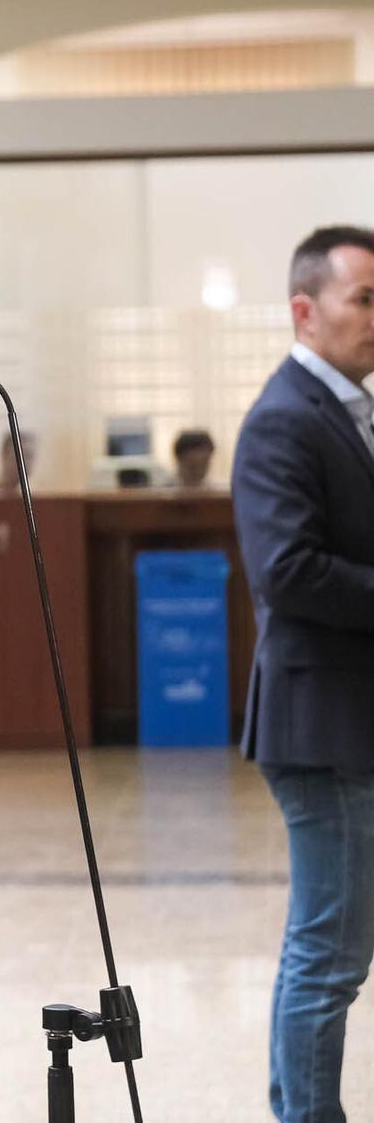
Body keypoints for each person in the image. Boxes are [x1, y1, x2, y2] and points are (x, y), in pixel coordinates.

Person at [232, 224, 374, 1123]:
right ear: (304, 309)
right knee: (330, 953)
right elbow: (286, 570)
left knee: (330, 946)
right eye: (364, 300)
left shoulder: (345, 408)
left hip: (346, 718)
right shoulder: (286, 415)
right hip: (322, 727)